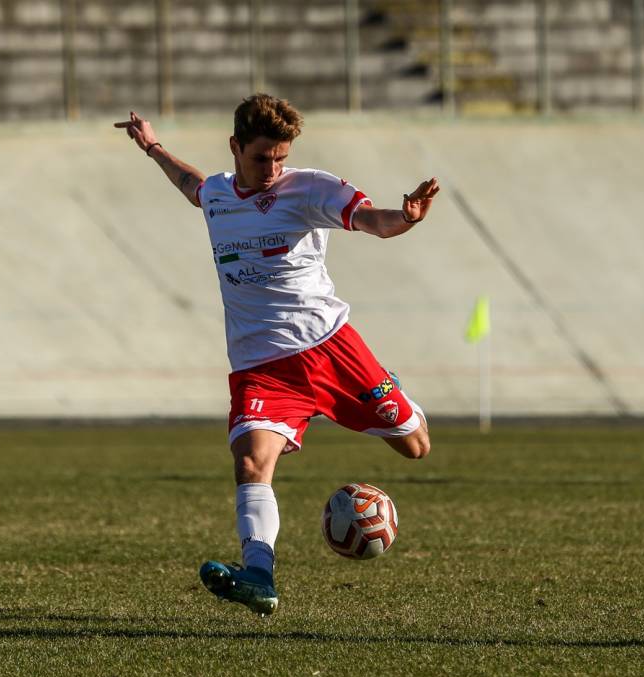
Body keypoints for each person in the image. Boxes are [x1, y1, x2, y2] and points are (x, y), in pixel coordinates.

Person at [115, 94, 438, 615]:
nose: (272, 168)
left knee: (416, 446)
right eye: (262, 157)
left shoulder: (309, 188)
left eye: (280, 157)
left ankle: (392, 390)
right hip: (261, 365)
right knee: (249, 461)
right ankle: (259, 575)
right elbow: (191, 185)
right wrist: (152, 146)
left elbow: (373, 222)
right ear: (235, 147)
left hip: (330, 348)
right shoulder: (219, 193)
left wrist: (405, 217)